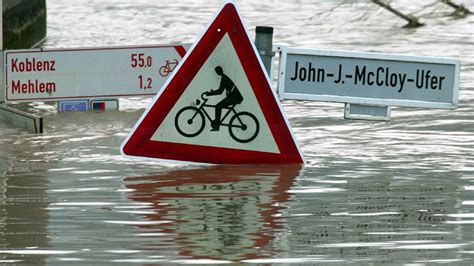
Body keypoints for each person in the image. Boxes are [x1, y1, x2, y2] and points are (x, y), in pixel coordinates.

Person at [205, 66, 243, 131]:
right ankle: (217, 124)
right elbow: (220, 90)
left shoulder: (224, 78)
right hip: (233, 97)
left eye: (217, 71)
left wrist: (209, 94)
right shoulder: (224, 77)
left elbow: (220, 91)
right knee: (218, 106)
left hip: (234, 98)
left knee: (218, 106)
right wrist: (212, 93)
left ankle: (217, 126)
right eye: (216, 71)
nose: (217, 73)